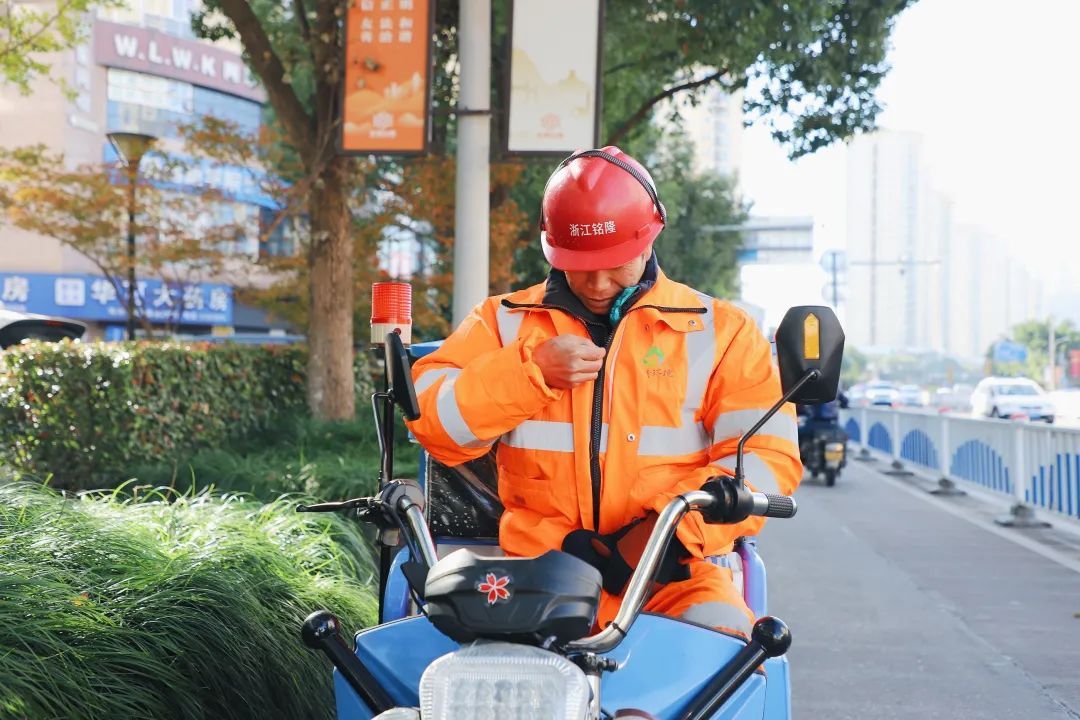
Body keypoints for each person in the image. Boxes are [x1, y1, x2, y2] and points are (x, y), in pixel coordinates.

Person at [405, 146, 801, 639]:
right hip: (532, 571)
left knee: (727, 662)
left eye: (614, 262)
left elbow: (767, 457)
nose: (596, 281)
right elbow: (431, 422)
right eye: (580, 263)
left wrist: (665, 539)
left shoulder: (724, 333)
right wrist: (530, 374)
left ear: (649, 238)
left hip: (676, 575)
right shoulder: (502, 322)